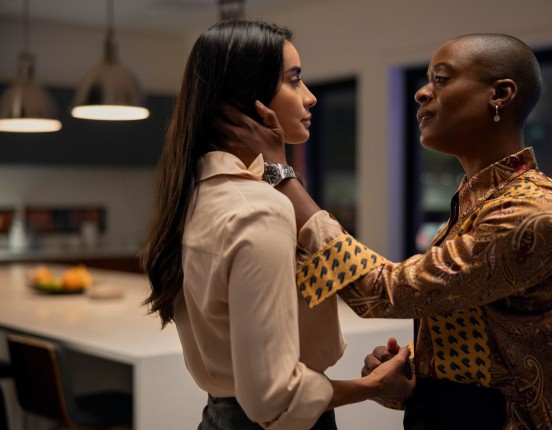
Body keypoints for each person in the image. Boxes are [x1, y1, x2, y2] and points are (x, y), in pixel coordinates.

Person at [222, 33, 552, 429]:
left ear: (500, 94)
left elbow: (386, 291)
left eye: (441, 79)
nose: (421, 93)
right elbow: (491, 333)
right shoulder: (481, 199)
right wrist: (415, 366)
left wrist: (282, 174)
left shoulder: (534, 211)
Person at [140, 19, 414, 430]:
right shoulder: (259, 209)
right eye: (294, 80)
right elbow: (274, 399)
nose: (310, 97)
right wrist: (373, 385)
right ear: (250, 97)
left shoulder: (195, 192)